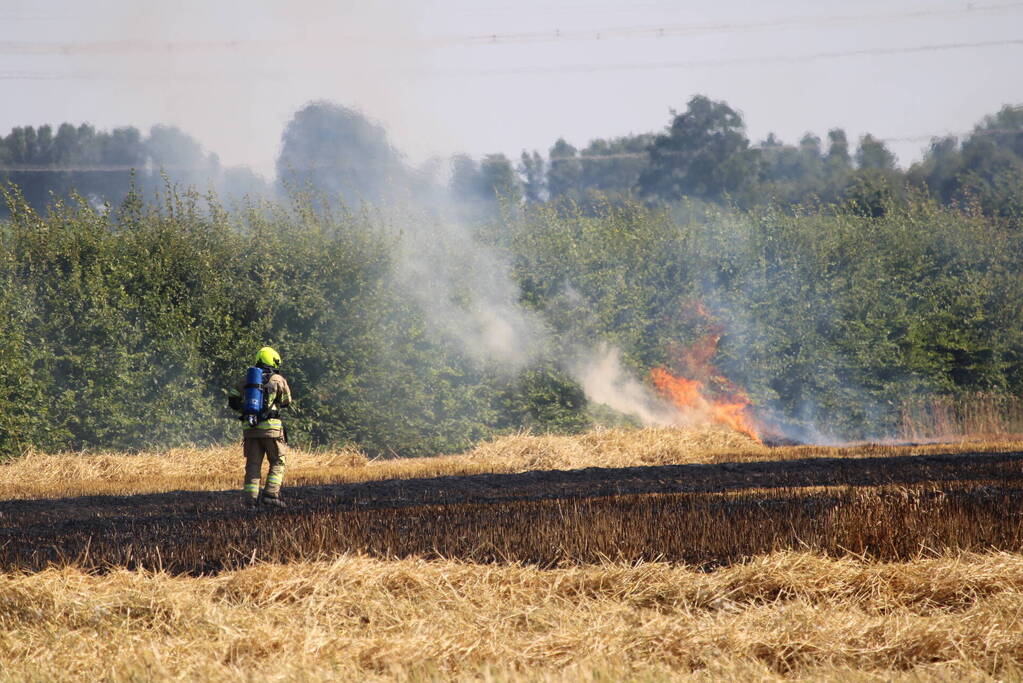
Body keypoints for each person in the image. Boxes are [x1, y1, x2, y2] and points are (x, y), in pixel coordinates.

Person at [231, 346, 293, 508]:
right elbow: (286, 401)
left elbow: (232, 400)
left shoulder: (246, 380)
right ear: (273, 360)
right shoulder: (278, 380)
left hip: (250, 429)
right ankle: (271, 494)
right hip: (271, 430)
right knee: (278, 461)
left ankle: (250, 500)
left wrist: (247, 411)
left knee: (253, 464)